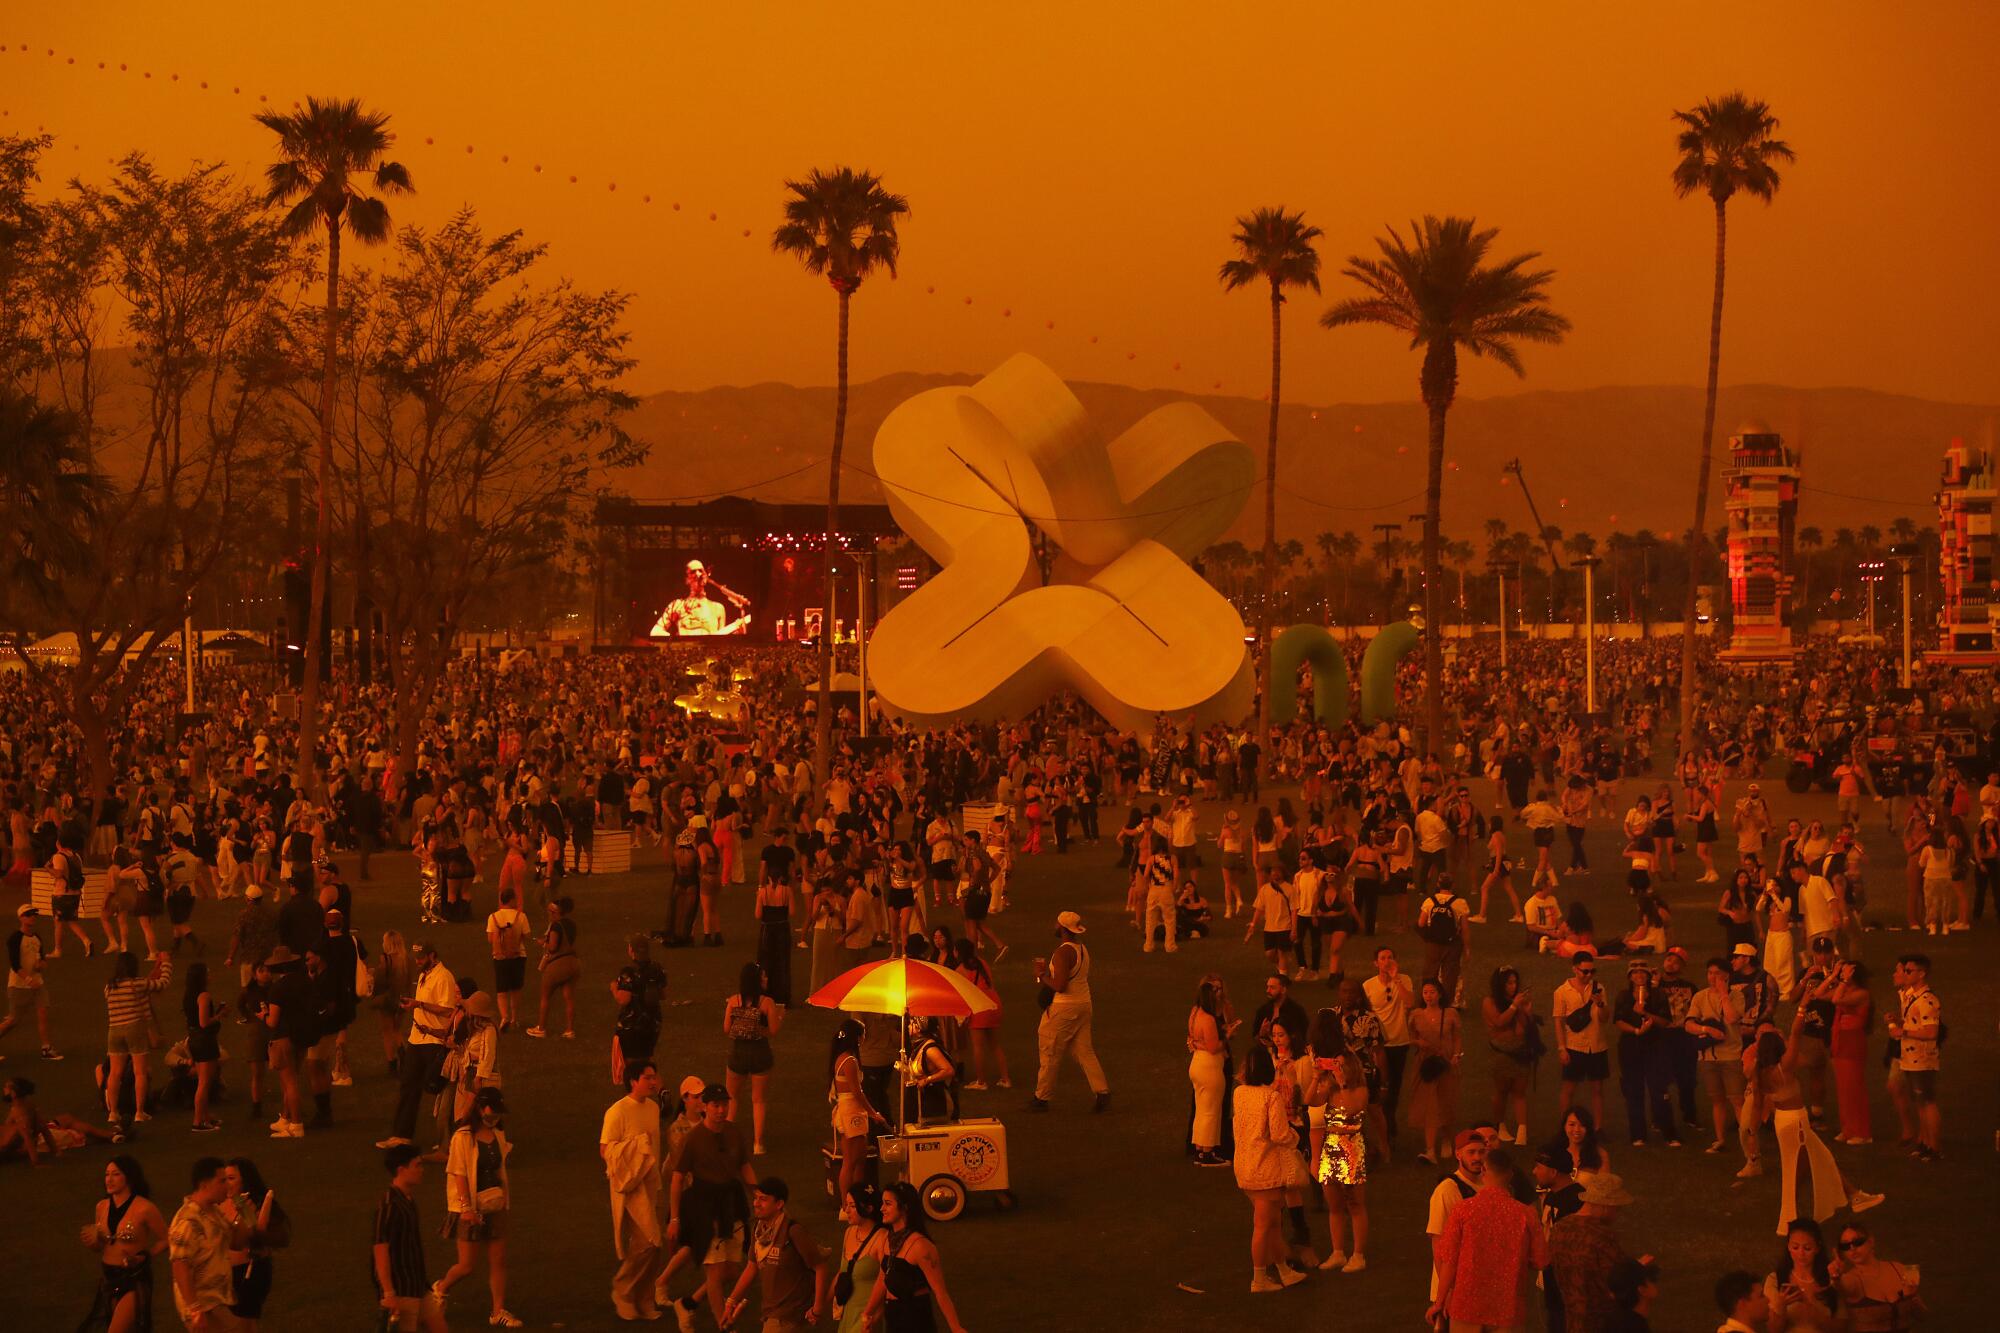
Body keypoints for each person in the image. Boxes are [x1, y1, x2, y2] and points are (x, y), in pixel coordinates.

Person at [1745, 1024, 1883, 1236]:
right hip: (1797, 1122)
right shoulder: (1785, 1067)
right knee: (1797, 1171)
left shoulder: (1759, 1073)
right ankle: (1788, 1220)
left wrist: (1752, 1131)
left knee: (1822, 1159)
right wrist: (1801, 1009)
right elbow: (1797, 1035)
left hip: (1783, 1121)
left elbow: (1756, 1105)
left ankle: (1855, 1196)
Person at [665, 1084, 758, 1332]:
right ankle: (723, 1325)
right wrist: (674, 1219)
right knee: (715, 1273)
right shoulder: (693, 1139)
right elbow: (677, 1177)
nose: (721, 1109)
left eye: (724, 1104)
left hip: (732, 1203)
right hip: (705, 1207)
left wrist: (758, 1195)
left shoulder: (734, 1132)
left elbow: (744, 1165)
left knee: (731, 1269)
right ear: (704, 1107)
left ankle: (688, 1304)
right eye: (716, 1105)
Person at [1426, 1147, 1547, 1333]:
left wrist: (1439, 1302)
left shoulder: (1463, 1211)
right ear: (1511, 1174)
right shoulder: (1526, 1214)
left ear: (1483, 1170)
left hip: (1466, 1306)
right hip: (1508, 1309)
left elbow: (1449, 1260)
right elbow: (1540, 1260)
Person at [436, 1087, 521, 1327]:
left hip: (494, 1204)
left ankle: (498, 1310)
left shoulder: (498, 1135)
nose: (495, 1117)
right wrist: (467, 1209)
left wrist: (503, 1198)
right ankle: (440, 1289)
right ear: (480, 1108)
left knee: (498, 1259)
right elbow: (459, 1174)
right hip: (469, 1208)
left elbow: (497, 1169)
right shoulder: (462, 1137)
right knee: (466, 1265)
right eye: (492, 1111)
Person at [1233, 1043, 1310, 1292]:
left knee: (1274, 1223)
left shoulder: (1240, 1093)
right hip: (1265, 1170)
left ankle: (1284, 1270)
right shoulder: (1271, 1097)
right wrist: (1296, 1138)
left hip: (1245, 1165)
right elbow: (1279, 1134)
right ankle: (1259, 1278)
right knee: (1263, 1225)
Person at [721, 1177, 831, 1333]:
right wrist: (731, 1302)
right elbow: (751, 1267)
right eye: (756, 1198)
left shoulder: (793, 1231)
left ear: (779, 1204)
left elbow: (820, 1267)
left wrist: (818, 1308)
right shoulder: (758, 1231)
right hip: (770, 1313)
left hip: (788, 1316)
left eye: (763, 1199)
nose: (756, 1203)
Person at [859, 1179, 970, 1333]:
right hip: (892, 1315)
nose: (882, 1208)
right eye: (882, 1203)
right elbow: (883, 1278)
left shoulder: (920, 1246)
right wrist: (868, 1312)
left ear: (904, 1207)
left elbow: (940, 1291)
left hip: (915, 1317)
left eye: (888, 1203)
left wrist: (955, 1327)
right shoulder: (887, 1239)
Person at [601, 1060, 666, 1322]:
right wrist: (636, 1148)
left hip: (651, 1183)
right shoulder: (616, 1112)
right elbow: (606, 1150)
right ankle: (624, 1291)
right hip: (630, 1187)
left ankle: (644, 1298)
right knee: (647, 1241)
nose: (653, 1081)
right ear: (633, 1081)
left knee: (654, 1245)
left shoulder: (652, 1107)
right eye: (647, 1077)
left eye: (654, 1076)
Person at [378, 940, 457, 1152]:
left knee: (441, 1091)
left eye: (421, 957)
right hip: (417, 1039)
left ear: (432, 955)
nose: (417, 961)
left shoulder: (444, 977)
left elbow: (448, 1010)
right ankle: (401, 1136)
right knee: (408, 1087)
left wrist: (419, 1004)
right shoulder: (424, 974)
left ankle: (450, 1141)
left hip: (434, 1042)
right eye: (416, 957)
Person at [1030, 911, 1110, 1113]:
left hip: (1064, 1007)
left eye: (1056, 924)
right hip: (1084, 1004)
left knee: (1050, 1051)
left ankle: (1041, 1098)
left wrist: (1041, 975)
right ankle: (1102, 1092)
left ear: (1063, 928)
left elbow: (1060, 986)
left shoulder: (1062, 953)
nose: (1054, 926)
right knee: (1085, 1051)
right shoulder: (1082, 949)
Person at [79, 1155, 169, 1331]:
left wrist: (145, 1256)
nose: (109, 1179)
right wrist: (93, 1242)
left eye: (116, 1174)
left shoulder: (145, 1208)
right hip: (108, 1277)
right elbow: (102, 1247)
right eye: (107, 1174)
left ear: (128, 1177)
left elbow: (168, 1238)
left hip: (133, 1278)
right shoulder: (101, 1207)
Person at [1550, 1172, 1640, 1333]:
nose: (1616, 1215)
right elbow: (1619, 1281)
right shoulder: (1602, 1236)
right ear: (1605, 1206)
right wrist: (1638, 1269)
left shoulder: (1559, 1228)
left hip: (1572, 1320)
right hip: (1601, 1323)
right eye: (1616, 1208)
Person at [168, 1156, 249, 1332]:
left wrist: (242, 1210)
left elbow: (237, 1242)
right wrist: (195, 1311)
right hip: (202, 1304)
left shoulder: (214, 1212)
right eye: (221, 1181)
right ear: (204, 1185)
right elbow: (179, 1266)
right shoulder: (187, 1221)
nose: (227, 1186)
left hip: (217, 1300)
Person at [1306, 1047, 1368, 1274]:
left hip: (1352, 1147)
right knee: (1334, 1204)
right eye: (1335, 1065)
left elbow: (1352, 1108)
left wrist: (1342, 1084)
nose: (1337, 1069)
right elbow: (1309, 1100)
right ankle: (1338, 1252)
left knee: (1355, 1203)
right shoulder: (1328, 1089)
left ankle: (1358, 1254)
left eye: (1341, 1065)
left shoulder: (1360, 1089)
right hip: (1331, 1146)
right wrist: (1316, 1076)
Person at [374, 1143, 446, 1333]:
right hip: (402, 1289)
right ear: (401, 1170)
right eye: (417, 1165)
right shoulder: (390, 1205)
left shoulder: (407, 1200)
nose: (422, 1170)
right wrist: (388, 1292)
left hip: (419, 1285)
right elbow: (380, 1249)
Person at [103, 950, 173, 1139]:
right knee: (139, 1071)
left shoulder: (109, 987)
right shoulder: (137, 984)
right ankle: (139, 1111)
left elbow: (144, 987)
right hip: (134, 1028)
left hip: (114, 1030)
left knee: (114, 1073)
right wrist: (166, 964)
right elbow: (162, 984)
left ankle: (113, 1111)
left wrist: (154, 969)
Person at [1613, 958, 1678, 1147]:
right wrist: (1636, 1031)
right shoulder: (1623, 996)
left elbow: (1665, 1021)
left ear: (1648, 976)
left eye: (1643, 972)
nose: (1639, 976)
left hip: (1655, 1046)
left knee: (1659, 1090)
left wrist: (1645, 1014)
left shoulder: (1658, 995)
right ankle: (1637, 1134)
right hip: (1630, 1047)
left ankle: (1669, 1133)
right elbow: (1618, 1020)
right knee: (1634, 1091)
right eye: (1635, 973)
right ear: (1630, 976)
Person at [1885, 953, 1941, 1161]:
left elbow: (1931, 1032)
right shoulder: (1912, 997)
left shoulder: (1927, 1000)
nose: (1905, 974)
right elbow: (1915, 1024)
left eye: (1909, 971)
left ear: (1921, 974)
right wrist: (1899, 1021)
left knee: (1927, 1102)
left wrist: (1904, 1032)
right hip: (1911, 1058)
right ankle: (1924, 1142)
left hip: (1922, 1059)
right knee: (1920, 1103)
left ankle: (1934, 1147)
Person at [220, 1158, 287, 1332]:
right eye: (224, 1178)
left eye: (232, 1178)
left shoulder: (253, 1204)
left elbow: (266, 1237)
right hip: (224, 1274)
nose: (226, 1183)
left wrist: (251, 1225)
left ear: (245, 1180)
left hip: (249, 1273)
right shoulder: (221, 1202)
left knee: (244, 1324)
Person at [725, 962, 783, 1155]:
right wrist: (779, 1019)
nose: (766, 979)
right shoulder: (766, 1003)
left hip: (738, 1054)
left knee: (732, 1097)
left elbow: (726, 1029)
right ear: (757, 981)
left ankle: (726, 1138)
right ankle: (758, 1143)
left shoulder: (733, 1001)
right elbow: (773, 1030)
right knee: (758, 1100)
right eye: (763, 976)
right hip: (760, 1054)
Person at [1424, 1129, 1487, 1308]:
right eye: (1471, 1152)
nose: (1477, 1157)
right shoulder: (1447, 1191)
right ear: (1458, 1154)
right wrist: (1448, 1291)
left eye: (1481, 1152)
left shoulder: (1489, 1184)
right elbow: (1438, 1244)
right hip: (1454, 1287)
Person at [829, 1019, 888, 1199]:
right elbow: (857, 1092)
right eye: (863, 1034)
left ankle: (855, 1199)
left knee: (859, 1159)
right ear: (857, 1037)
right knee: (851, 1161)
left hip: (849, 1110)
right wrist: (873, 1113)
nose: (864, 1037)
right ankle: (848, 1204)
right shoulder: (849, 1061)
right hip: (851, 1111)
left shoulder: (842, 1058)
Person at [1406, 975, 1461, 1166]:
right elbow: (1409, 1036)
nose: (1428, 996)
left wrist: (1456, 1055)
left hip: (1446, 1063)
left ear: (1439, 994)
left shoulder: (1451, 1014)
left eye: (1432, 992)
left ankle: (1447, 1139)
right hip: (1425, 1063)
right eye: (1425, 992)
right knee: (1429, 1105)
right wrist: (1417, 1042)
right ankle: (1430, 1149)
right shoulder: (1416, 1015)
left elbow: (1456, 1037)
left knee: (1446, 1101)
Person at [1830, 1224, 1925, 1331]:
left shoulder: (1899, 1268)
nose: (1852, 1248)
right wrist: (1835, 1277)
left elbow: (1922, 1316)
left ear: (1871, 1242)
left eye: (1857, 1242)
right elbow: (1842, 1286)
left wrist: (1912, 1296)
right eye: (1846, 1246)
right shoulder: (1851, 1278)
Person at [1362, 947, 1414, 1142]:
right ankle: (1384, 1129)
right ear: (1376, 963)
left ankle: (1388, 1126)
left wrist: (1396, 979)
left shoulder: (1404, 980)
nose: (1387, 961)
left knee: (1394, 1088)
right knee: (1378, 1087)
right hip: (1378, 1045)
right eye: (1382, 958)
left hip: (1400, 1042)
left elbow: (1409, 1002)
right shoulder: (1368, 986)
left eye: (1390, 957)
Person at [1552, 950, 1609, 1125]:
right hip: (1574, 1046)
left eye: (1592, 971)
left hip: (1597, 1045)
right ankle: (1565, 1126)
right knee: (1569, 1088)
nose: (1589, 975)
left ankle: (1598, 1127)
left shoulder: (1599, 988)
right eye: (1585, 971)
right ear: (1575, 969)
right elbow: (1558, 1022)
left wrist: (1600, 1004)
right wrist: (1562, 1048)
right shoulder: (1562, 992)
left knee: (1597, 1089)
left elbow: (1605, 1018)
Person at [1482, 966, 1535, 1146]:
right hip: (1501, 1054)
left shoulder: (1517, 1002)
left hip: (1520, 1052)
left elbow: (1522, 1031)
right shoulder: (1489, 1002)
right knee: (1501, 1091)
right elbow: (1498, 1022)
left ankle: (1522, 1131)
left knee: (1520, 1092)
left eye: (1514, 982)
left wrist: (1526, 1012)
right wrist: (1514, 1006)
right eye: (1509, 983)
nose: (1513, 986)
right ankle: (1500, 1126)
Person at [4, 902, 63, 1061]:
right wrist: (29, 980)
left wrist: (41, 965)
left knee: (43, 1014)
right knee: (13, 1020)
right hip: (19, 985)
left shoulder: (37, 938)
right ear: (21, 918)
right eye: (29, 914)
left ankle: (46, 1048)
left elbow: (42, 960)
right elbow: (15, 964)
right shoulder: (15, 938)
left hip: (38, 984)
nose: (33, 917)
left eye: (34, 914)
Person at [1764, 1219, 1841, 1332]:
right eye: (1795, 1247)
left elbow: (1841, 1328)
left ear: (1817, 1248)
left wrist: (1814, 1312)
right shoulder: (1776, 1279)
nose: (1801, 1254)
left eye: (1807, 1248)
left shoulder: (1830, 1278)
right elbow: (1772, 1330)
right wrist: (1781, 1307)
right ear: (1788, 1247)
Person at [611, 934, 668, 1086]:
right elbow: (663, 994)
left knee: (632, 1068)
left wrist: (614, 989)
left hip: (632, 1026)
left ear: (631, 950)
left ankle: (636, 1096)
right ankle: (661, 1091)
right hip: (652, 1024)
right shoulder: (657, 969)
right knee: (648, 1061)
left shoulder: (628, 972)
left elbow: (624, 999)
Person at [834, 1183, 889, 1333]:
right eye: (846, 1204)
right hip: (848, 1313)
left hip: (868, 1317)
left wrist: (871, 1316)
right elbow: (842, 1272)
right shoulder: (849, 1233)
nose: (846, 1210)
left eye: (852, 1206)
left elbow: (887, 1284)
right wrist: (818, 1307)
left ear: (868, 1208)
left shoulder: (883, 1239)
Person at [1187, 978, 1230, 1167]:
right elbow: (1214, 1047)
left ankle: (1199, 1147)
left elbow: (1194, 1039)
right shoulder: (1209, 1019)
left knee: (1201, 1109)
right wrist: (1227, 1036)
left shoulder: (1195, 1013)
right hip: (1210, 1066)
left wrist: (1198, 1043)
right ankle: (1208, 1152)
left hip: (1196, 1063)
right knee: (1211, 1111)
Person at [527, 895, 579, 1040]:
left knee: (545, 996)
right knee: (569, 997)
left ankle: (541, 1028)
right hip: (573, 962)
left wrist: (543, 943)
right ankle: (569, 1030)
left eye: (551, 912)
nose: (549, 914)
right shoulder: (571, 924)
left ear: (557, 913)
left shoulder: (556, 926)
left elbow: (553, 947)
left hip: (558, 964)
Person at [182, 962, 223, 1133]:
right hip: (204, 1040)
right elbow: (204, 1022)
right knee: (205, 1083)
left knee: (203, 1081)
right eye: (208, 972)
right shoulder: (204, 995)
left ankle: (205, 1116)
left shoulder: (188, 995)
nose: (210, 975)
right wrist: (220, 1015)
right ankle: (198, 1121)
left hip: (194, 1039)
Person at [485, 886, 530, 1032]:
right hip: (518, 956)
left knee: (501, 990)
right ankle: (514, 1018)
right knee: (516, 989)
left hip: (500, 958)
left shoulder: (493, 917)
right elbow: (527, 936)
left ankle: (504, 1016)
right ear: (512, 900)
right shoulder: (520, 916)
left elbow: (490, 939)